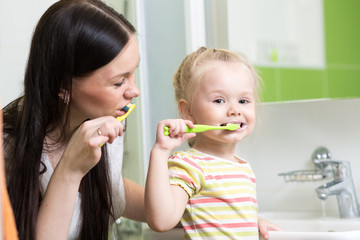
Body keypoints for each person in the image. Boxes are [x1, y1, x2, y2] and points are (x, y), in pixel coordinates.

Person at [2, 0, 144, 239]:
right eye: (119, 82)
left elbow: (113, 189)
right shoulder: (7, 146)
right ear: (63, 87)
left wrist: (191, 200)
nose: (134, 91)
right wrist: (70, 169)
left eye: (133, 74)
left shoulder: (107, 117)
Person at [145, 47, 282, 239]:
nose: (235, 110)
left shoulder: (241, 166)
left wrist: (255, 222)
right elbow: (162, 220)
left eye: (243, 101)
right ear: (188, 111)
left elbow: (220, 216)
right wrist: (160, 152)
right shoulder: (189, 165)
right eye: (219, 100)